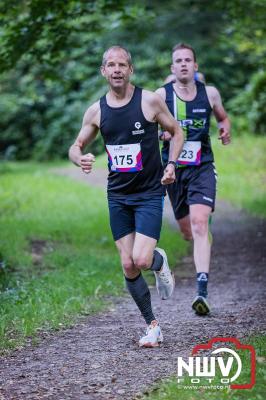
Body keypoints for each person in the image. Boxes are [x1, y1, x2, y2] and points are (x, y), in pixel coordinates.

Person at [69, 46, 184, 347]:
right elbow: (75, 145)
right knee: (128, 264)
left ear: (130, 69)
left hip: (148, 192)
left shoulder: (149, 101)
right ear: (103, 71)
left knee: (142, 259)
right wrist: (78, 158)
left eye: (122, 64)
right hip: (118, 195)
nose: (117, 69)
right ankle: (153, 326)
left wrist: (171, 164)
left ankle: (159, 261)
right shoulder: (96, 110)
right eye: (111, 65)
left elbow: (177, 130)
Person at [156, 43, 231, 315]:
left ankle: (202, 292)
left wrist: (224, 130)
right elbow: (149, 128)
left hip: (202, 167)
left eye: (189, 60)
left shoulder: (209, 94)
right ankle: (190, 240)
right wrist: (162, 135)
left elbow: (223, 118)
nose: (184, 64)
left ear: (195, 66)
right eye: (179, 60)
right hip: (174, 171)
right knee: (189, 232)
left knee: (200, 225)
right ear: (172, 68)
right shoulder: (160, 96)